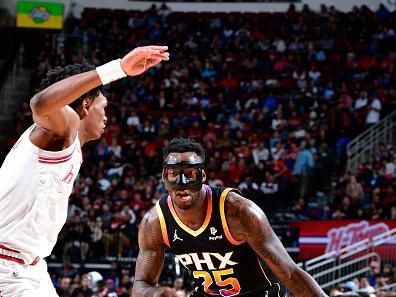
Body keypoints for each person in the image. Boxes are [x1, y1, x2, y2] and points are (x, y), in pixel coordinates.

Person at [0, 45, 169, 297]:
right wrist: (118, 68)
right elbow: (40, 103)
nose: (106, 117)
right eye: (104, 106)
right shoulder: (63, 127)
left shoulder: (66, 144)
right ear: (87, 103)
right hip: (8, 267)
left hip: (32, 267)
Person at [132, 138, 327, 297]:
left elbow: (290, 272)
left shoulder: (238, 211)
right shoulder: (155, 222)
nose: (182, 182)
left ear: (203, 176)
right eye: (174, 173)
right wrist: (155, 293)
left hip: (260, 293)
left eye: (190, 174)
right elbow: (140, 286)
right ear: (164, 177)